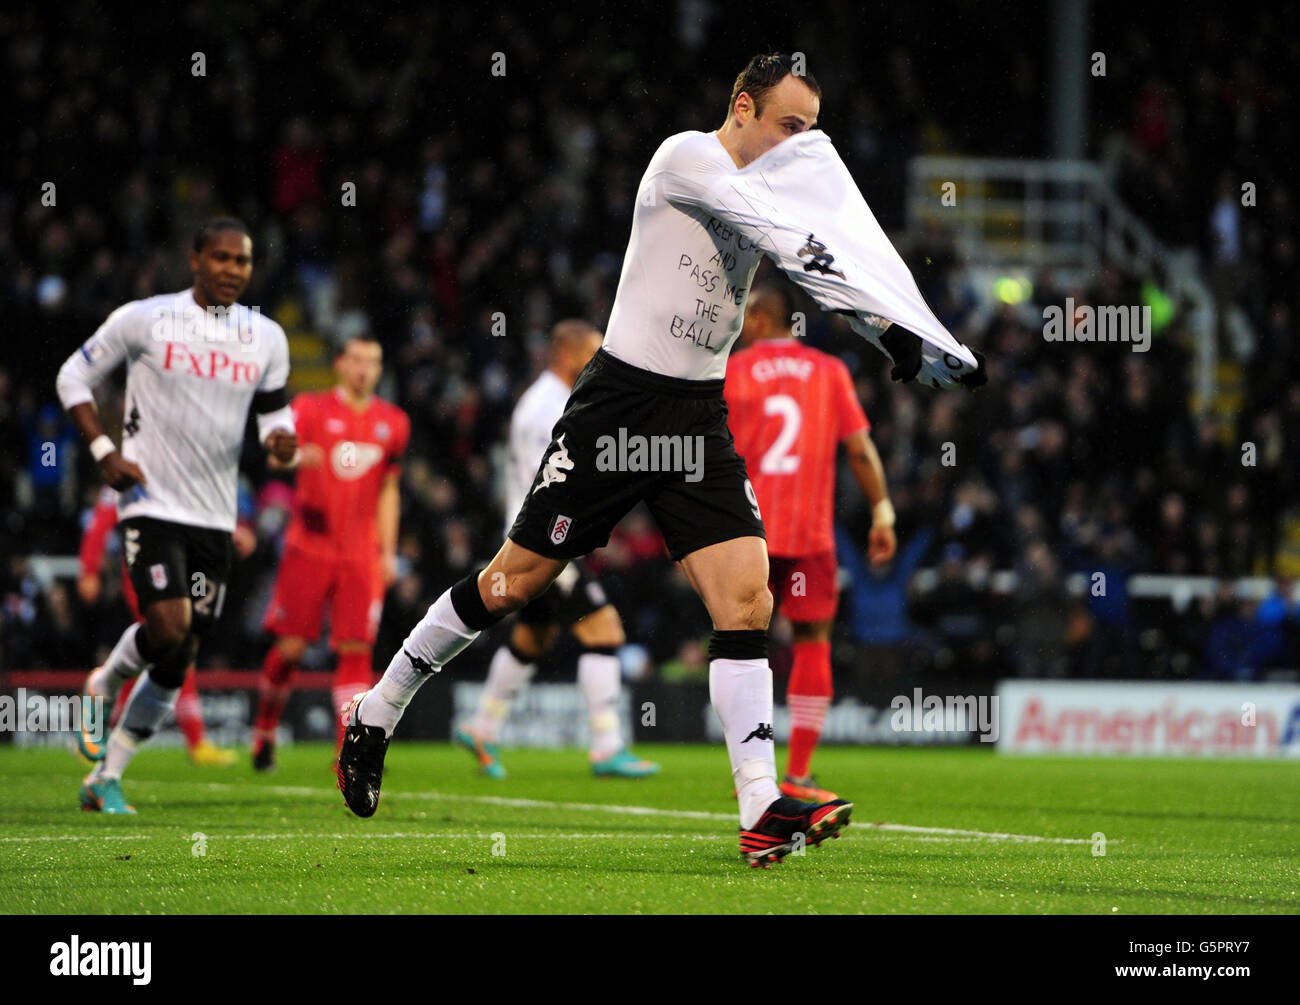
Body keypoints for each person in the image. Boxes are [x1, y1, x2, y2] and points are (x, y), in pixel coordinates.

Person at [338, 53, 983, 868]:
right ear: (742, 106)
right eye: (790, 125)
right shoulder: (687, 158)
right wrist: (895, 328)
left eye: (812, 133)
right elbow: (803, 246)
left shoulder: (768, 188)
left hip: (696, 416)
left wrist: (899, 336)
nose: (800, 145)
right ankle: (377, 708)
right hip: (620, 405)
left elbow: (814, 250)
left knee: (748, 596)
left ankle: (759, 808)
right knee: (514, 583)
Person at [56, 217, 298, 814]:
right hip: (150, 503)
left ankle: (106, 777)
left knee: (182, 649)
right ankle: (104, 682)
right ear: (195, 260)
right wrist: (105, 452)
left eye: (241, 261)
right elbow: (72, 376)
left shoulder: (265, 337)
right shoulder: (145, 319)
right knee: (167, 627)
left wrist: (281, 442)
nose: (231, 270)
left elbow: (274, 418)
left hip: (215, 516)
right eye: (220, 258)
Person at [454, 320, 658, 780]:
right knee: (603, 630)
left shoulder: (542, 401)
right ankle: (606, 745)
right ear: (568, 355)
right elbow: (556, 483)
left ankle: (483, 726)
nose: (599, 363)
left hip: (537, 538)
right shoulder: (549, 406)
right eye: (592, 354)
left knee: (535, 636)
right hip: (542, 543)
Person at [725, 281, 896, 802]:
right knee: (812, 642)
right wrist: (882, 512)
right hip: (808, 534)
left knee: (739, 648)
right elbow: (860, 451)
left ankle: (750, 774)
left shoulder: (733, 373)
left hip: (745, 532)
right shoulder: (829, 371)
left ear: (757, 319)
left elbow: (706, 452)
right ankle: (797, 772)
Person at [252, 334, 409, 770]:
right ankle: (265, 729)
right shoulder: (308, 408)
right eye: (356, 359)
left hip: (361, 554)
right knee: (292, 651)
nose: (364, 369)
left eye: (372, 361)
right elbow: (275, 458)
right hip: (308, 546)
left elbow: (389, 490)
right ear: (340, 364)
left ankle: (349, 753)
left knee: (356, 650)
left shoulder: (393, 422)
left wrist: (388, 551)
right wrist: (294, 459)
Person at [78, 485, 249, 766]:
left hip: (187, 559)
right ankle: (194, 741)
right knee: (168, 641)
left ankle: (105, 729)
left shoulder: (181, 461)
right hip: (149, 560)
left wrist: (231, 530)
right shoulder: (134, 466)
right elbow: (101, 522)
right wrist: (89, 569)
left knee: (175, 647)